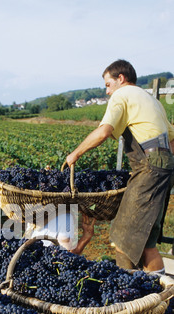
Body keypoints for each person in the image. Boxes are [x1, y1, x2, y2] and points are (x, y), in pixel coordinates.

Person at [66, 59, 174, 275]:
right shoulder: (150, 99)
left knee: (124, 237)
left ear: (121, 79)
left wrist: (75, 154)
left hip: (150, 167)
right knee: (147, 241)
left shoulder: (122, 95)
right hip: (163, 166)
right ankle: (160, 296)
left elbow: (104, 131)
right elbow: (172, 140)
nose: (107, 92)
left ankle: (129, 295)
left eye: (108, 84)